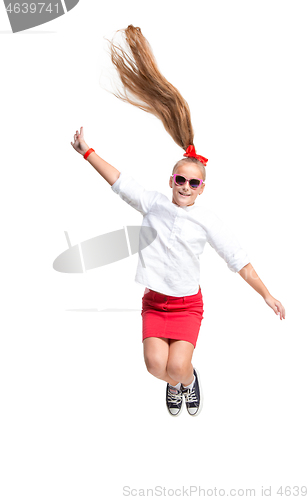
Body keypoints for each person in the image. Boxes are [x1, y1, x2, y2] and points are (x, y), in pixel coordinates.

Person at [70, 25, 285, 417]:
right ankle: (177, 383)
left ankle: (186, 379)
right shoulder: (152, 202)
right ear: (172, 181)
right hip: (155, 301)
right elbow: (119, 181)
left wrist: (266, 294)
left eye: (194, 183)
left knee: (177, 365)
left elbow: (239, 259)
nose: (185, 186)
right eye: (180, 179)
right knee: (156, 366)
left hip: (186, 305)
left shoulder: (207, 220)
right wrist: (87, 152)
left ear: (202, 188)